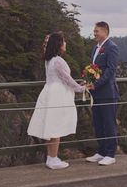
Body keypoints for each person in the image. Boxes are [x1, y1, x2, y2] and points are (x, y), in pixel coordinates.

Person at [27, 32, 85, 169]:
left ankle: (51, 157)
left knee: (51, 125)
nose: (66, 44)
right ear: (59, 44)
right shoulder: (57, 60)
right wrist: (80, 88)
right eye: (64, 41)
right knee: (56, 126)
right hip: (58, 94)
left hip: (49, 91)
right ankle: (52, 159)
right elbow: (66, 78)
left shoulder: (49, 60)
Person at [85, 21, 119, 166]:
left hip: (107, 92)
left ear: (105, 31)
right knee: (98, 123)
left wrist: (96, 84)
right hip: (96, 93)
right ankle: (101, 151)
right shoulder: (95, 48)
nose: (94, 33)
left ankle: (110, 154)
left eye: (97, 31)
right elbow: (94, 69)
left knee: (109, 123)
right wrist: (88, 81)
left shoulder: (112, 47)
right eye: (94, 31)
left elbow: (111, 71)